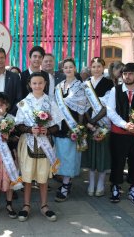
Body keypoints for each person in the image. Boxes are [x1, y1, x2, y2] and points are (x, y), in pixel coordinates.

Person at [15, 72, 63, 222]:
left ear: (45, 84)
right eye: (34, 83)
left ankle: (44, 206)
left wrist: (47, 130)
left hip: (45, 143)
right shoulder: (24, 103)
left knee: (43, 176)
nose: (37, 86)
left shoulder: (50, 102)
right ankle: (26, 205)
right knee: (28, 176)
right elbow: (18, 125)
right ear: (29, 84)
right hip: (28, 142)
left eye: (40, 83)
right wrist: (30, 130)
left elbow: (58, 125)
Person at [107, 63, 134, 206]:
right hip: (119, 132)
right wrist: (125, 124)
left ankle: (133, 189)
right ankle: (115, 187)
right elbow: (110, 111)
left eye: (131, 73)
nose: (127, 76)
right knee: (118, 160)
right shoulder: (116, 90)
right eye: (125, 74)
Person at [53, 58, 89, 202]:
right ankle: (64, 181)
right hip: (59, 125)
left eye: (70, 67)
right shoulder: (59, 86)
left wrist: (79, 127)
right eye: (65, 67)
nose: (68, 69)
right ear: (62, 70)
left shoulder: (80, 86)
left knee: (69, 156)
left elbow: (82, 108)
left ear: (75, 68)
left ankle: (66, 185)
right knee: (60, 155)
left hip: (72, 124)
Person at [81, 58, 114, 197]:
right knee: (91, 154)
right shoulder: (85, 83)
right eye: (93, 66)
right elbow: (82, 104)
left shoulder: (109, 83)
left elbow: (107, 105)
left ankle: (101, 183)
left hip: (103, 122)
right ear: (90, 68)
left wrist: (94, 121)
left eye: (98, 66)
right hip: (89, 122)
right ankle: (91, 182)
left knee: (102, 153)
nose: (96, 69)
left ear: (103, 67)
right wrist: (88, 123)